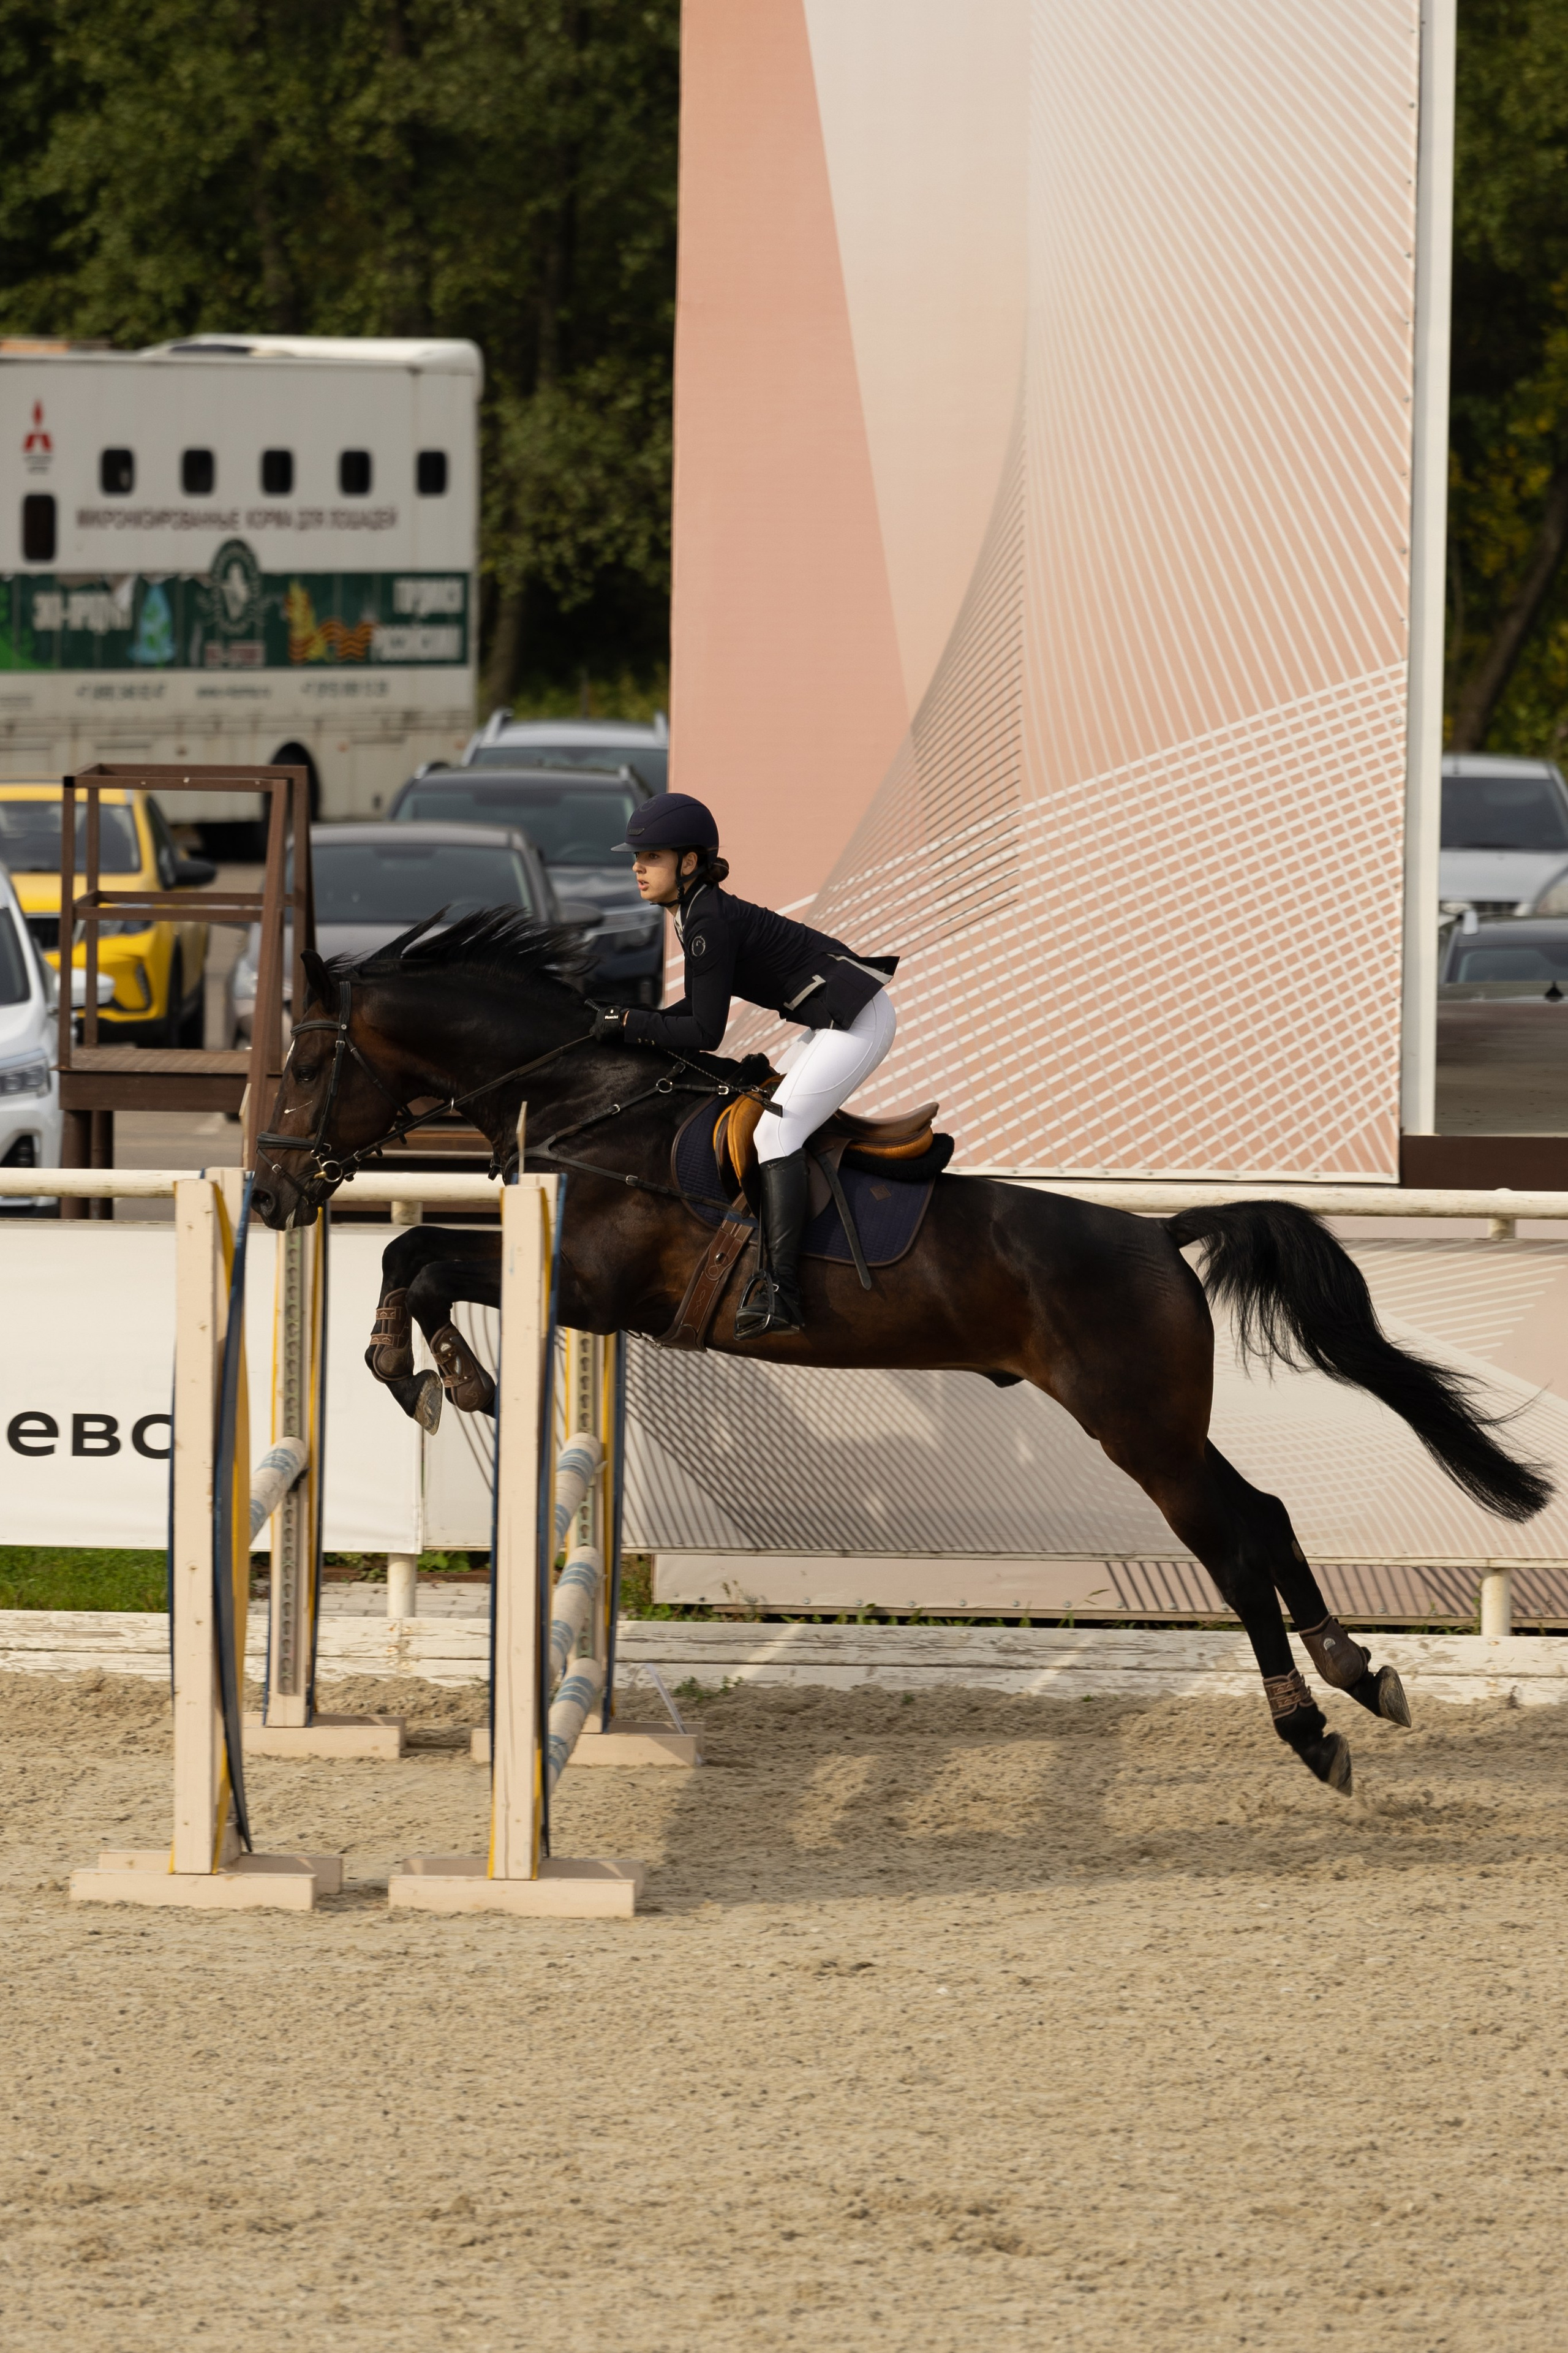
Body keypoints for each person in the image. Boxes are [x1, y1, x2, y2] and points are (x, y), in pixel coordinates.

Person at [589, 792, 897, 1339]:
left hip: (859, 1022)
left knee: (777, 1134)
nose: (637, 866)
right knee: (764, 1118)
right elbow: (689, 1014)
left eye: (652, 856)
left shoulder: (706, 920)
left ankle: (783, 1292)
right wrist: (629, 1025)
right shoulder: (693, 911)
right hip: (833, 1023)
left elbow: (705, 1032)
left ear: (689, 863)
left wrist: (629, 1023)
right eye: (636, 856)